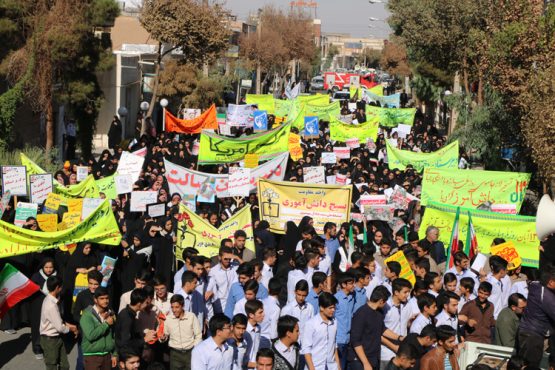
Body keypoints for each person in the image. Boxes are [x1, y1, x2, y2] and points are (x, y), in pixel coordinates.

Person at [348, 286, 403, 370]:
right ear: (381, 301)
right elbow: (355, 341)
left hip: (374, 358)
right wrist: (365, 363)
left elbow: (382, 330)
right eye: (385, 302)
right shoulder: (361, 313)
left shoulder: (379, 313)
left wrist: (399, 337)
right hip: (359, 361)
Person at [516, 264, 555, 368]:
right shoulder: (546, 297)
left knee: (524, 364)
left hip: (527, 333)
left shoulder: (536, 285)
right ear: (550, 282)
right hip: (533, 336)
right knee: (530, 366)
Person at [40, 275, 79, 370]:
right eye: (61, 287)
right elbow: (60, 328)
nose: (61, 289)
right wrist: (71, 328)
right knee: (52, 366)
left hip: (57, 338)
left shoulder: (50, 300)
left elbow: (58, 320)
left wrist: (70, 325)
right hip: (50, 340)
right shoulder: (51, 305)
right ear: (57, 287)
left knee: (65, 365)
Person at [79, 287, 117, 370]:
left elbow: (114, 335)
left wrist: (114, 354)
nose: (105, 301)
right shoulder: (87, 316)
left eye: (107, 298)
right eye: (102, 298)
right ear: (95, 300)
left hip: (107, 356)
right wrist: (106, 324)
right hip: (92, 356)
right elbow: (91, 335)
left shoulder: (111, 313)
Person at [302, 292, 340, 370]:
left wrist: (338, 366)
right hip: (315, 366)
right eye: (330, 308)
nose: (333, 310)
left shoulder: (334, 322)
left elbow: (334, 345)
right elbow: (306, 349)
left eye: (334, 308)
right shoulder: (310, 324)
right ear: (321, 308)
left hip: (332, 366)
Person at [162, 294, 202, 370]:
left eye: (177, 307)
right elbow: (165, 334)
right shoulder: (168, 319)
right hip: (175, 354)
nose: (174, 310)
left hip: (190, 353)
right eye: (172, 307)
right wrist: (163, 338)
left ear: (182, 306)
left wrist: (194, 348)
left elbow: (198, 335)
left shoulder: (191, 317)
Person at [380, 278, 413, 369]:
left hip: (403, 355)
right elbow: (379, 332)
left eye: (408, 292)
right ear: (396, 292)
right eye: (405, 292)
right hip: (386, 354)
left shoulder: (407, 305)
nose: (407, 295)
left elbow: (406, 325)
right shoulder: (385, 306)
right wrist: (394, 347)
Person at [115, 288, 156, 354]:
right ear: (139, 304)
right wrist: (145, 339)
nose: (147, 305)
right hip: (127, 355)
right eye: (146, 302)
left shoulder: (128, 313)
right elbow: (125, 343)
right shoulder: (127, 317)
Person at [206, 246, 239, 314]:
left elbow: (248, 267)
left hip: (234, 303)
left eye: (230, 259)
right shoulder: (213, 271)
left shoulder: (236, 267)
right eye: (225, 259)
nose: (228, 261)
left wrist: (237, 258)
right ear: (219, 257)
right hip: (220, 305)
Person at [334, 272, 356, 370]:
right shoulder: (336, 298)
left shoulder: (351, 297)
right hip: (339, 339)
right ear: (343, 285)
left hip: (348, 339)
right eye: (351, 283)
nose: (353, 285)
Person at [260, 278, 282, 348]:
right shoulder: (276, 308)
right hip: (267, 340)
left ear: (268, 289)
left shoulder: (261, 302)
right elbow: (273, 331)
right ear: (280, 291)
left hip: (258, 336)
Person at [244, 299, 265, 369]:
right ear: (251, 315)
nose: (263, 315)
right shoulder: (243, 331)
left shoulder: (258, 328)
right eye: (260, 312)